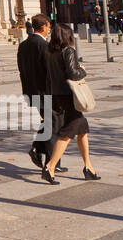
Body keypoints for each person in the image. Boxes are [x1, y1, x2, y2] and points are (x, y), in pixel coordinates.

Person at [41, 21, 99, 185]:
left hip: (58, 95)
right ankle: (50, 166)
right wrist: (83, 69)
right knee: (68, 132)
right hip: (70, 96)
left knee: (82, 130)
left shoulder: (51, 53)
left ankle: (88, 167)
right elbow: (74, 74)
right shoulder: (68, 51)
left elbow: (49, 77)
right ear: (67, 36)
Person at [16, 13, 64, 172]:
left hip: (31, 91)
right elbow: (50, 72)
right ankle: (51, 163)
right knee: (54, 125)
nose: (49, 29)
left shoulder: (23, 45)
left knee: (50, 121)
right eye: (49, 27)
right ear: (43, 27)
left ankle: (37, 148)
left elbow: (21, 70)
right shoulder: (44, 46)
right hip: (47, 92)